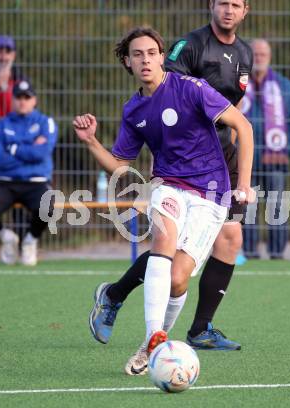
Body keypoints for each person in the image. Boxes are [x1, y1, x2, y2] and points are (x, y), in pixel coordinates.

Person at [77, 27, 254, 374]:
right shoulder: (134, 109)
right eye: (137, 54)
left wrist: (243, 185)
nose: (145, 60)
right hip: (168, 185)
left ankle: (149, 340)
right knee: (163, 237)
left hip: (212, 193)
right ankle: (153, 338)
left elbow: (243, 127)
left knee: (177, 280)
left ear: (162, 57)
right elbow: (120, 166)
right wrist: (90, 141)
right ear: (127, 62)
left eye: (151, 53)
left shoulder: (191, 89)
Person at [0, 79, 58, 265]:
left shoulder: (46, 123)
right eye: (19, 97)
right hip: (6, 181)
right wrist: (30, 151)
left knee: (47, 208)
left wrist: (14, 149)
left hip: (37, 181)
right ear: (12, 100)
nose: (22, 101)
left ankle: (30, 241)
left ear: (34, 100)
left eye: (27, 97)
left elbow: (42, 153)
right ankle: (7, 238)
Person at [241, 39, 290, 259]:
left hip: (275, 157)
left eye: (262, 55)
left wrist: (289, 150)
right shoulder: (239, 84)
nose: (259, 58)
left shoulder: (283, 86)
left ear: (269, 57)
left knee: (276, 205)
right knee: (248, 206)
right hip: (245, 157)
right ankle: (249, 250)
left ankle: (277, 252)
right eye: (255, 54)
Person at [0, 35, 24, 189]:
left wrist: (4, 88)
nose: (3, 56)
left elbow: (19, 112)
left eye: (7, 52)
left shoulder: (20, 81)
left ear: (13, 55)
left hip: (11, 146)